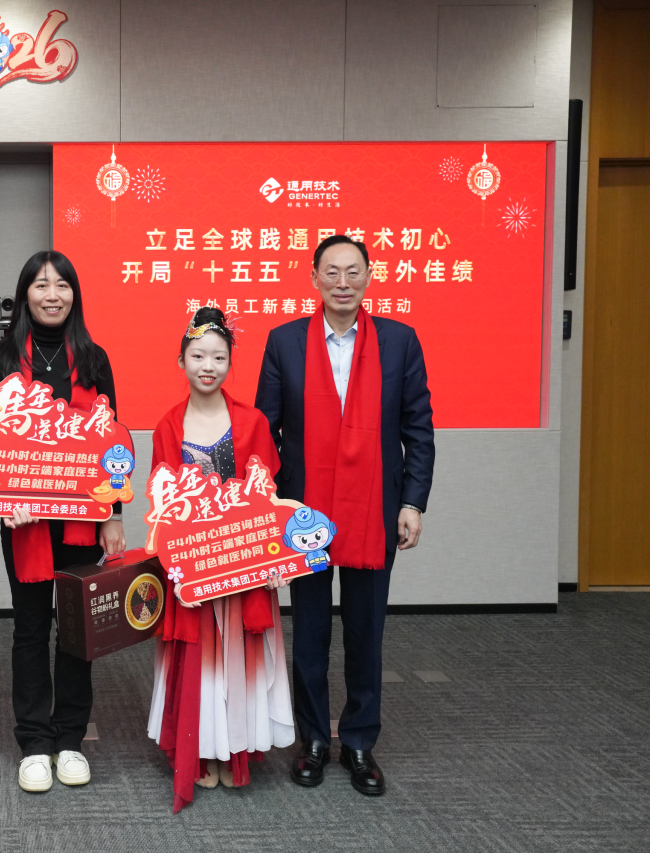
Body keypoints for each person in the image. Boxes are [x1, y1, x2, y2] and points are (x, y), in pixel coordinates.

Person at [255, 234, 435, 796]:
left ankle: (358, 741)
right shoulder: (284, 341)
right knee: (309, 632)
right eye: (331, 271)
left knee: (365, 630)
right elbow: (264, 431)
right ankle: (313, 739)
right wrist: (271, 507)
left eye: (353, 271)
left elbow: (418, 429)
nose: (342, 282)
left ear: (369, 277)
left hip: (374, 508)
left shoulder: (399, 341)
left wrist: (412, 502)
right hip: (303, 512)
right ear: (313, 278)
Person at [0, 250, 124, 793]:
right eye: (40, 285)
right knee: (31, 627)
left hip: (84, 519)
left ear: (74, 294)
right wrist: (4, 499)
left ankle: (70, 738)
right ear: (25, 295)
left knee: (78, 628)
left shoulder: (94, 358)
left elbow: (113, 444)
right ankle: (35, 742)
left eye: (62, 284)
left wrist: (113, 514)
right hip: (25, 522)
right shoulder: (0, 359)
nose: (52, 294)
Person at [146, 306, 296, 813]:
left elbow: (266, 495)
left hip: (242, 565)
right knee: (200, 664)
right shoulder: (168, 425)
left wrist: (278, 545)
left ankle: (236, 751)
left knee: (239, 662)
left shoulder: (252, 421)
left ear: (230, 363)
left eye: (218, 357)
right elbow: (162, 506)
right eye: (197, 356)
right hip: (193, 568)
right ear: (181, 360)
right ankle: (202, 752)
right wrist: (175, 561)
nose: (207, 366)